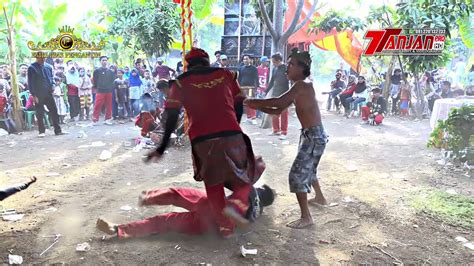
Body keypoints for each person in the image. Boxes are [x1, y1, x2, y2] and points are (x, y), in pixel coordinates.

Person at [145, 48, 265, 237]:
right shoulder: (225, 74)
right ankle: (236, 205)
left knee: (213, 184)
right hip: (231, 134)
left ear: (188, 65)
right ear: (207, 62)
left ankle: (226, 228)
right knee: (245, 175)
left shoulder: (180, 82)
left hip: (202, 139)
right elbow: (239, 101)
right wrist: (235, 124)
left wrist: (161, 147)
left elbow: (171, 116)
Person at [245, 48, 328, 229]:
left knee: (297, 174)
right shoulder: (301, 86)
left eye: (291, 64)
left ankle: (307, 217)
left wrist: (251, 102)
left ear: (302, 68)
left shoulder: (301, 85)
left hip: (313, 136)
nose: (287, 68)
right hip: (312, 134)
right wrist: (256, 105)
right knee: (309, 168)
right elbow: (278, 110)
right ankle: (320, 198)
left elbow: (277, 103)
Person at [96, 184, 274, 238]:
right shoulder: (256, 213)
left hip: (212, 206)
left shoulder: (248, 189)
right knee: (163, 222)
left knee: (177, 194)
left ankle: (148, 198)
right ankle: (117, 230)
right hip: (211, 226)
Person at [27, 56, 65, 137]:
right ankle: (41, 131)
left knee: (54, 110)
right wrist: (33, 95)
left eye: (44, 57)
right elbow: (30, 82)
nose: (43, 59)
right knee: (40, 113)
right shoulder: (32, 67)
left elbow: (51, 78)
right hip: (38, 94)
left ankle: (58, 130)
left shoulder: (48, 66)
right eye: (41, 58)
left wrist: (53, 85)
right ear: (37, 58)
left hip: (48, 93)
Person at [265, 53, 290, 138]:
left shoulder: (286, 68)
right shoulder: (275, 69)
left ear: (279, 60)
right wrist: (266, 91)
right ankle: (276, 130)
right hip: (275, 93)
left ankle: (284, 132)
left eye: (274, 62)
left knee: (283, 113)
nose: (273, 63)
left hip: (284, 93)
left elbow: (292, 81)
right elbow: (272, 81)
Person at [92, 56, 116, 125]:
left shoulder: (110, 72)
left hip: (108, 91)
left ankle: (107, 119)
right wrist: (97, 87)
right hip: (100, 90)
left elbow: (112, 81)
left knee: (109, 105)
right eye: (103, 60)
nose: (104, 61)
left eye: (105, 60)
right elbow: (95, 80)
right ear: (100, 61)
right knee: (97, 105)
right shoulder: (97, 71)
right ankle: (95, 119)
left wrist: (110, 88)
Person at [238, 55, 259, 125]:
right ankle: (248, 117)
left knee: (251, 101)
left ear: (250, 60)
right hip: (243, 88)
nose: (245, 60)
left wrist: (256, 87)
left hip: (251, 87)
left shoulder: (254, 68)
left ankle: (253, 117)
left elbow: (256, 78)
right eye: (244, 59)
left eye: (246, 59)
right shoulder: (241, 68)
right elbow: (239, 78)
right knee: (246, 102)